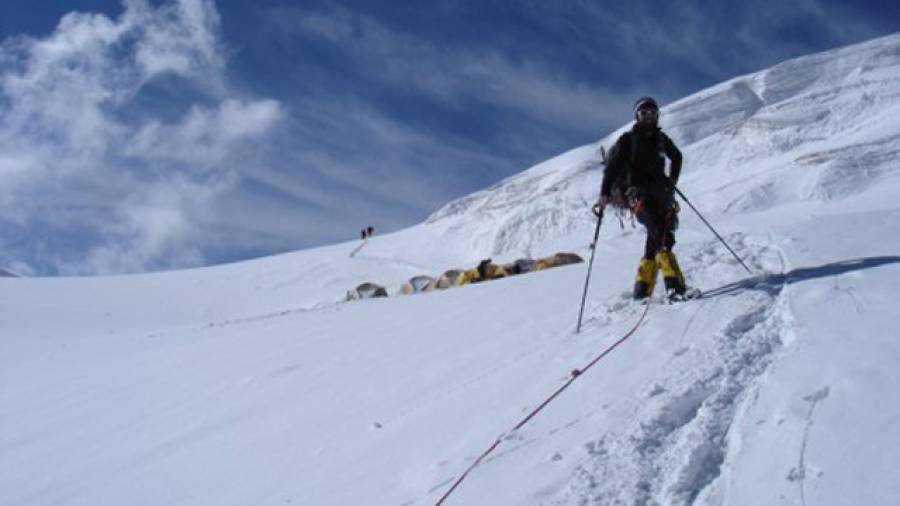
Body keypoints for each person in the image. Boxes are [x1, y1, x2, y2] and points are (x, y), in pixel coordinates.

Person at [598, 96, 690, 301]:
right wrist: (604, 193)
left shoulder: (661, 139)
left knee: (655, 239)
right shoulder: (627, 140)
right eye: (643, 113)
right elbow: (612, 169)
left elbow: (677, 156)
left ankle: (641, 291)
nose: (648, 116)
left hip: (662, 194)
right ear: (637, 116)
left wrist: (673, 179)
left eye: (652, 113)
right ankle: (675, 288)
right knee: (662, 237)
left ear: (657, 116)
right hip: (638, 196)